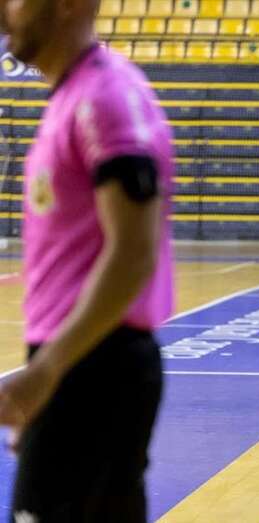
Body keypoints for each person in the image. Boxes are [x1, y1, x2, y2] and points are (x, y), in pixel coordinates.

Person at [0, 1, 174, 521]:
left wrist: (48, 372)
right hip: (78, 367)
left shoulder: (105, 98)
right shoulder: (72, 95)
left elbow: (133, 252)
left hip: (97, 370)